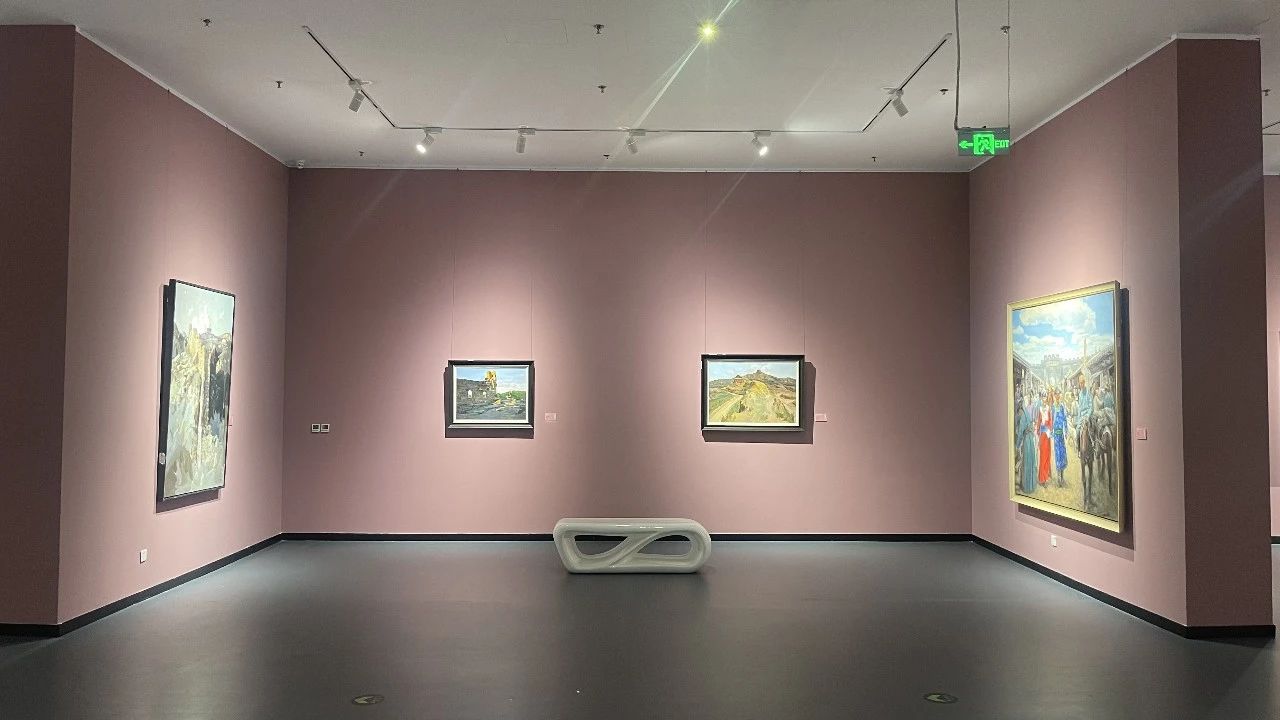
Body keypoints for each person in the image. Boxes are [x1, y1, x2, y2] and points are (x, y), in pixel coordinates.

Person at [1017, 391, 1038, 494]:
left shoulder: (1023, 416)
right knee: (1031, 461)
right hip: (1031, 440)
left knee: (1026, 462)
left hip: (1026, 440)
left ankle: (1026, 486)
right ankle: (1031, 485)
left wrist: (1017, 445)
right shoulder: (1028, 415)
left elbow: (1021, 431)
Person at [1052, 391, 1069, 487]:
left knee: (1062, 455)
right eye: (1056, 395)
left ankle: (1062, 477)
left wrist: (1066, 430)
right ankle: (1059, 478)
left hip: (1061, 435)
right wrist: (1051, 431)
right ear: (1055, 396)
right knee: (1057, 455)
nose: (1058, 396)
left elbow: (1065, 419)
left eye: (1059, 395)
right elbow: (1051, 420)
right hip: (1056, 435)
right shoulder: (1053, 407)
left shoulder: (1062, 407)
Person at [1037, 391, 1053, 486]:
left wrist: (1050, 428)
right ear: (1041, 398)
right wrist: (1038, 432)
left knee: (1047, 455)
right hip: (1042, 433)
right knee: (1042, 455)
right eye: (1043, 397)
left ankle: (1045, 476)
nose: (1044, 399)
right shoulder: (1040, 409)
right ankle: (1042, 478)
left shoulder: (1048, 408)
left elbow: (1050, 420)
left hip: (1047, 434)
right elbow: (1039, 421)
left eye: (1045, 397)